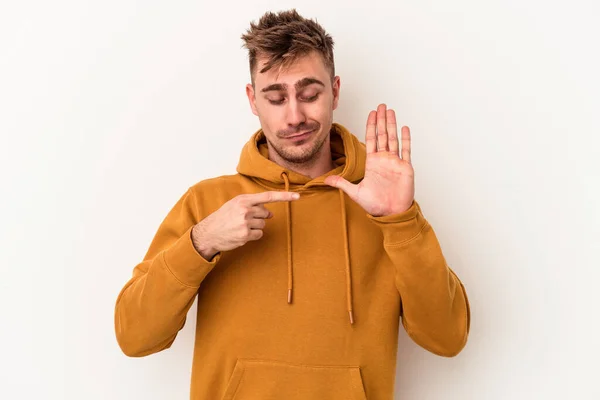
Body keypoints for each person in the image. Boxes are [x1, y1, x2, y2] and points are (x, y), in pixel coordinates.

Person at [114, 8, 470, 400]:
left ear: (335, 91)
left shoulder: (381, 203)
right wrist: (200, 242)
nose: (295, 115)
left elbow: (448, 338)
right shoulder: (209, 203)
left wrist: (400, 221)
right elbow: (135, 337)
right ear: (253, 100)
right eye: (276, 97)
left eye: (309, 93)